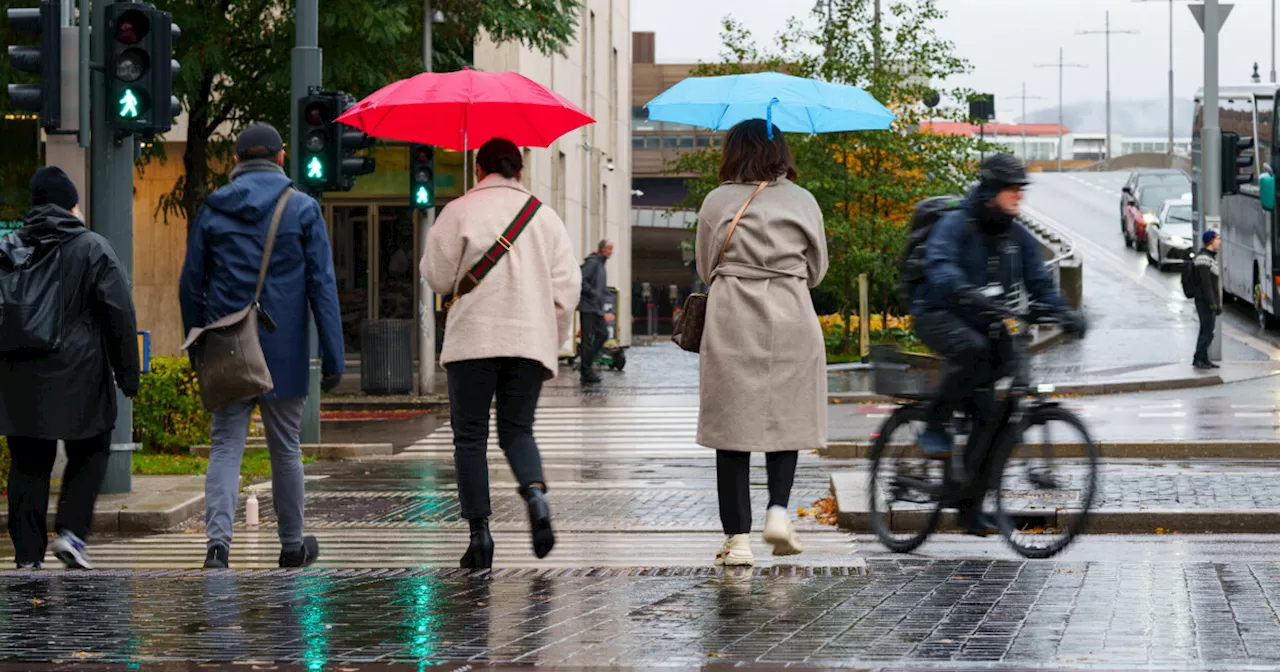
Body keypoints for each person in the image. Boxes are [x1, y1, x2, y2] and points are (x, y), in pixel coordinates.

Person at [179, 123, 345, 570]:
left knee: (225, 446)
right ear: (282, 156)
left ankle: (218, 547)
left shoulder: (212, 209)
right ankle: (292, 546)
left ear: (235, 160)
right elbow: (322, 287)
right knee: (285, 447)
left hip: (228, 346)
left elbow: (190, 284)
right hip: (283, 349)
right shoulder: (304, 210)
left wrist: (197, 345)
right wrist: (334, 355)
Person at [424, 137, 580, 570]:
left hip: (472, 341)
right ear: (520, 170)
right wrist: (553, 342)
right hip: (528, 343)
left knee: (469, 439)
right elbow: (567, 289)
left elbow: (436, 277)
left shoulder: (458, 210)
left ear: (478, 169)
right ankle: (536, 496)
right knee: (517, 431)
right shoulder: (545, 217)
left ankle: (480, 537)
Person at [910, 153, 1085, 535]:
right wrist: (966, 291)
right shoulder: (957, 224)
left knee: (997, 414)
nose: (1019, 196)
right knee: (971, 351)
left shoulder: (1016, 235)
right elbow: (940, 267)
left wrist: (1066, 312)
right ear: (991, 190)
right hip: (938, 312)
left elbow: (1040, 282)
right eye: (1012, 189)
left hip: (985, 322)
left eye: (1021, 189)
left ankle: (969, 504)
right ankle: (935, 425)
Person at [694, 119, 828, 567]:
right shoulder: (804, 201)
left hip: (733, 315)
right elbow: (818, 268)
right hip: (792, 315)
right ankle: (777, 511)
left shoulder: (718, 202)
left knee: (731, 430)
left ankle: (738, 540)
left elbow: (705, 263)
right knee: (784, 419)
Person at [0, 166, 140, 570]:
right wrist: (127, 374)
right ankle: (71, 533)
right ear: (70, 204)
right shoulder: (92, 248)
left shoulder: (9, 248)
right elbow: (120, 314)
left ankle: (28, 558)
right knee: (92, 448)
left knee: (27, 463)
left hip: (19, 379)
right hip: (80, 375)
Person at [578, 240, 613, 384]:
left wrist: (602, 295)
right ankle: (586, 371)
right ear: (603, 249)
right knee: (587, 339)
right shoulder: (593, 263)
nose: (611, 252)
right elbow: (582, 280)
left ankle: (586, 364)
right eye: (610, 249)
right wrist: (594, 294)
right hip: (588, 306)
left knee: (602, 334)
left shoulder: (600, 264)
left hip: (596, 307)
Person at [1193, 229, 1223, 370]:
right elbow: (1206, 285)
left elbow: (1214, 285)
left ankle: (1204, 359)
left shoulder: (1210, 257)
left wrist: (1217, 303)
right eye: (1217, 239)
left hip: (1209, 302)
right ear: (1211, 241)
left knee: (1209, 331)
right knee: (1206, 331)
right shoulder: (1203, 259)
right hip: (1204, 302)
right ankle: (1198, 358)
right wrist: (1212, 303)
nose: (1219, 241)